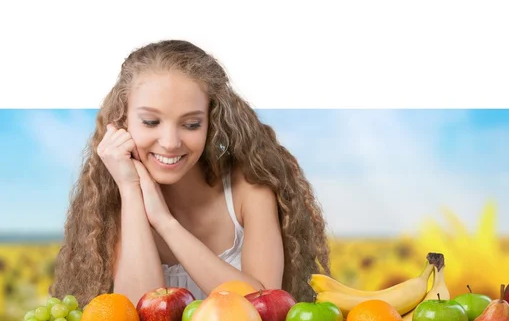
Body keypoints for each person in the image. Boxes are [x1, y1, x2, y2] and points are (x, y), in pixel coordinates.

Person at [50, 39, 330, 307]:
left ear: (213, 121)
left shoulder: (249, 190)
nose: (170, 142)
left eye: (192, 124)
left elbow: (265, 307)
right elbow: (137, 319)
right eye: (151, 121)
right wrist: (129, 188)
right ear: (122, 122)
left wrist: (165, 222)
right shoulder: (113, 200)